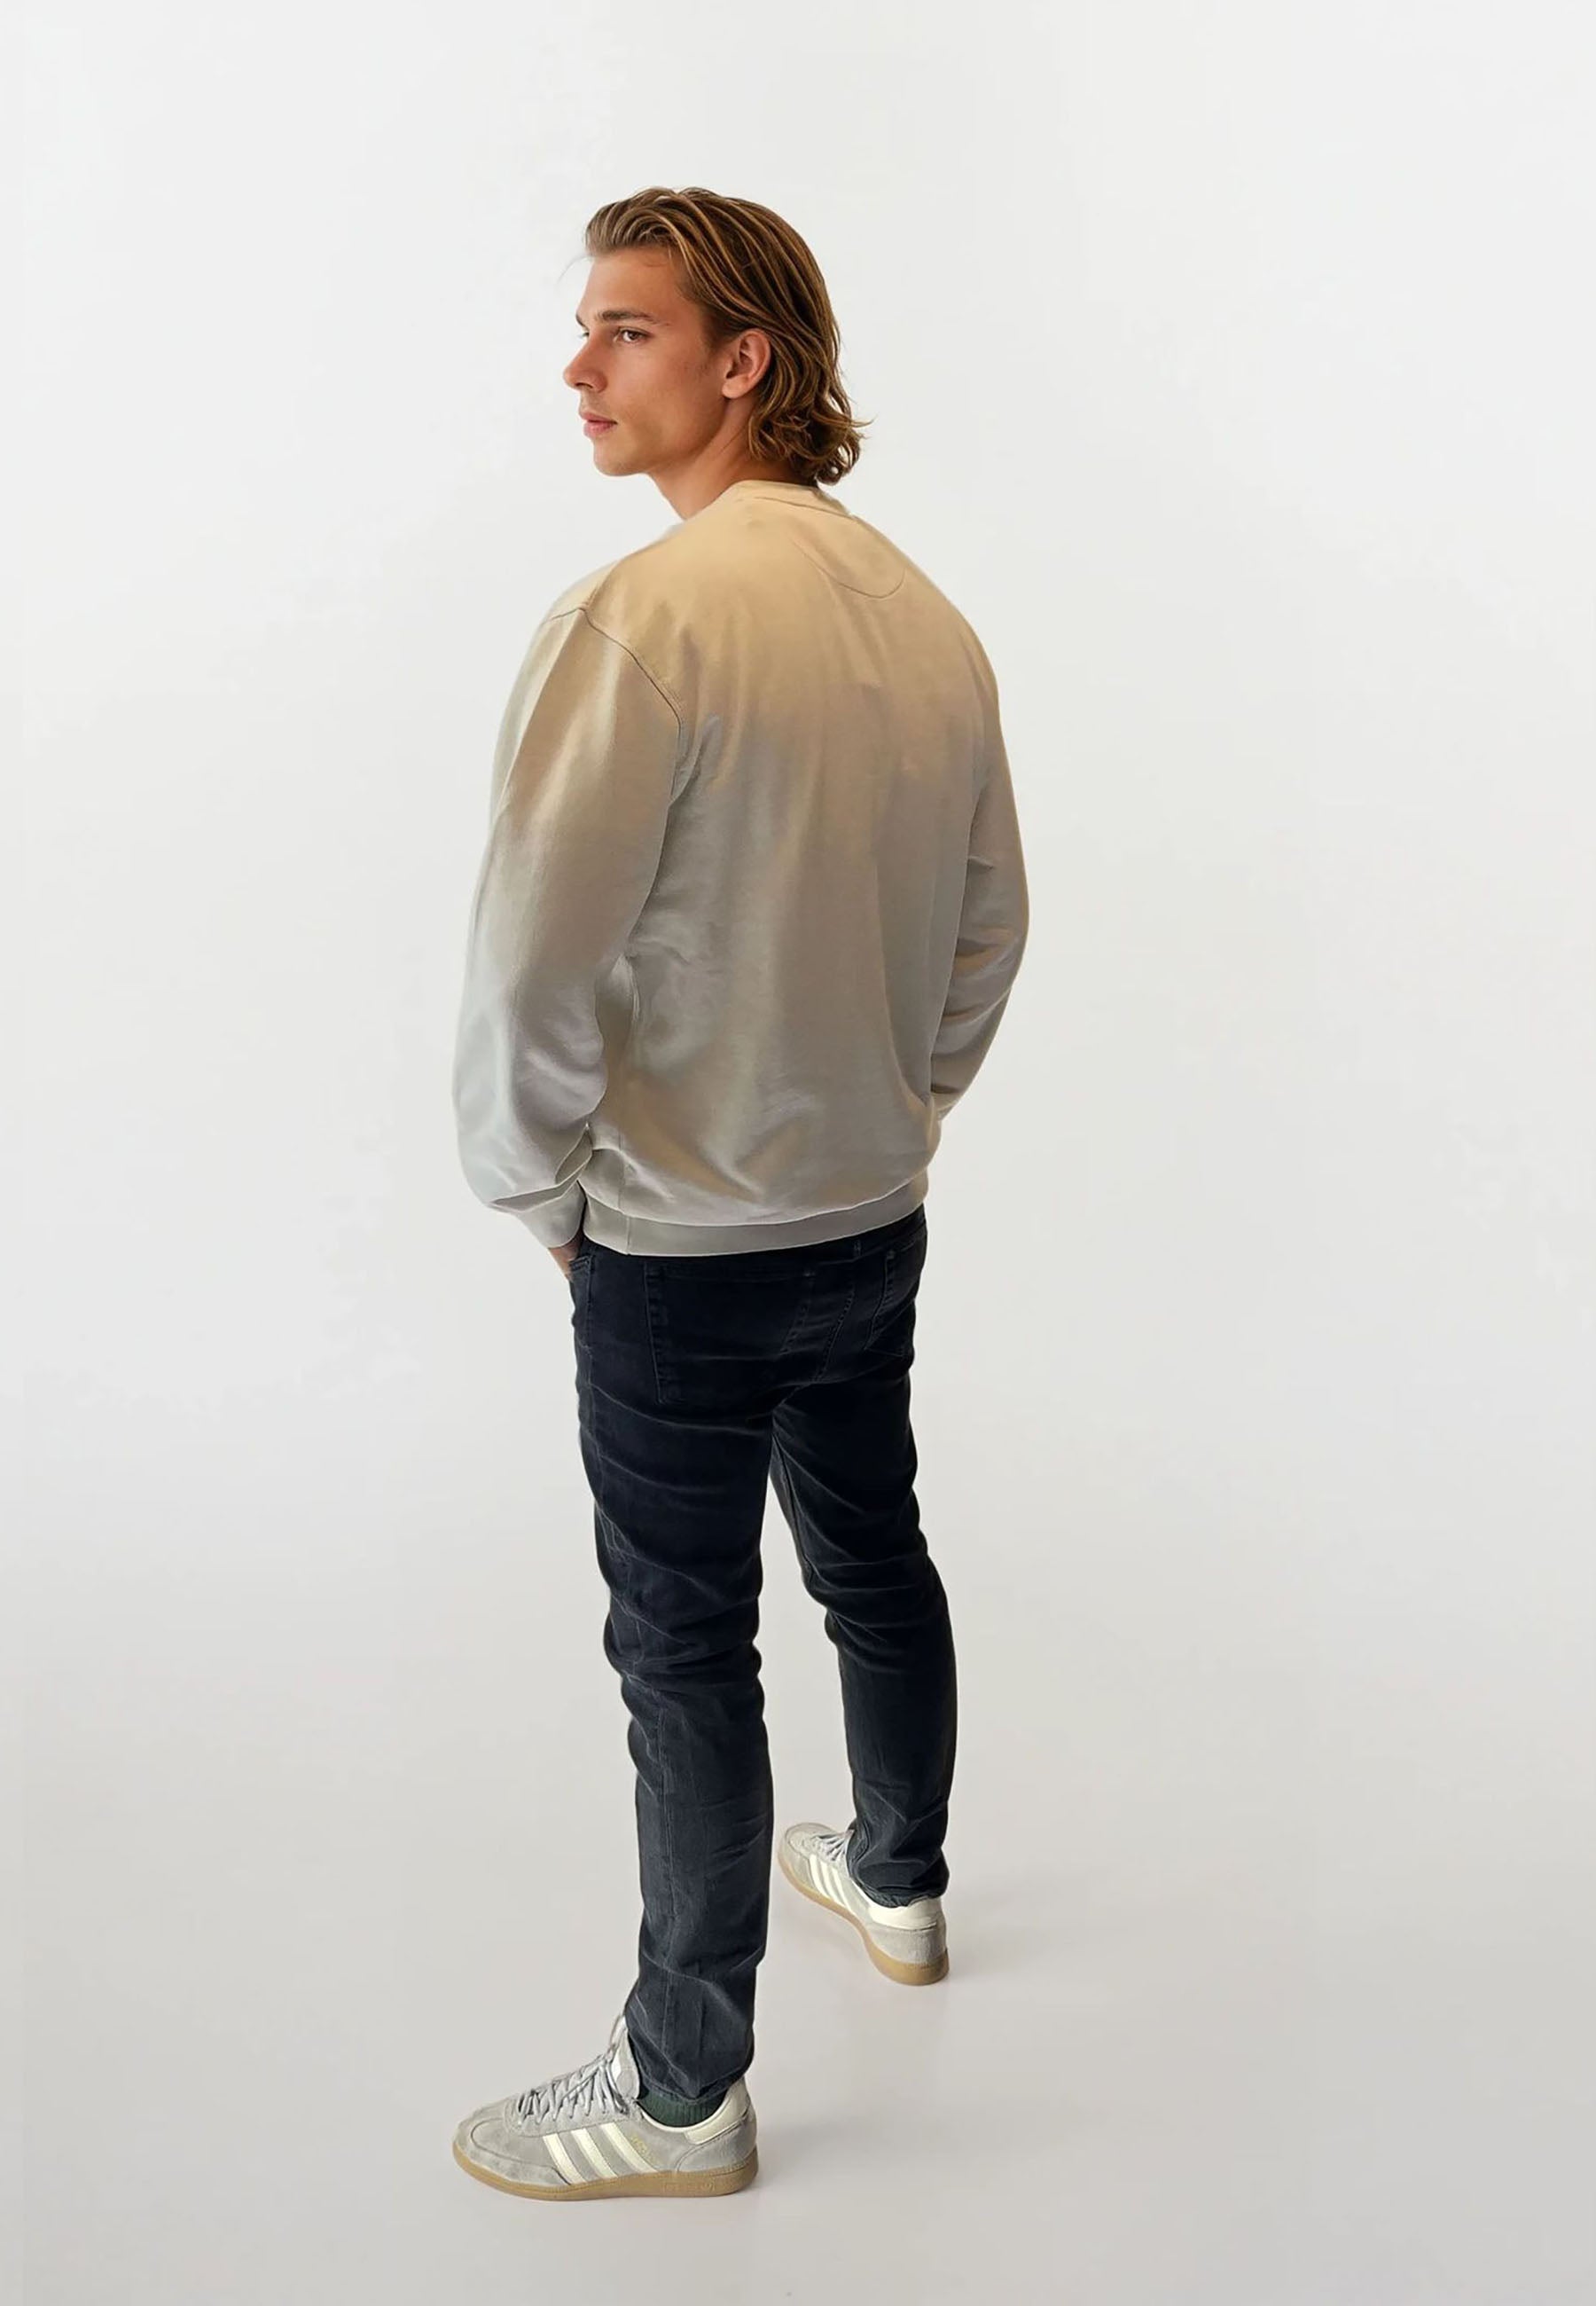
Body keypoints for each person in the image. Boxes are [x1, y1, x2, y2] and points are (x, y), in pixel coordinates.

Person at [449, 185, 1029, 2201]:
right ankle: (902, 1879)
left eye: (626, 329)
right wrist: (896, 1113)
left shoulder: (649, 621)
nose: (580, 366)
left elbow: (530, 965)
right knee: (875, 1550)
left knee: (686, 1650)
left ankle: (684, 2089)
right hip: (867, 1215)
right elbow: (990, 928)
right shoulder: (925, 617)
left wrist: (542, 1192)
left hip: (681, 1245)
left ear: (743, 361)